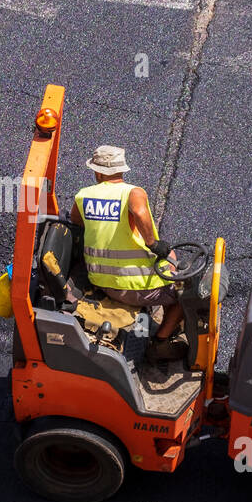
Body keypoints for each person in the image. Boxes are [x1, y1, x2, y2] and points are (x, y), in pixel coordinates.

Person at [69, 146, 185, 360]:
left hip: (101, 280)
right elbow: (140, 212)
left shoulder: (83, 196)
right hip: (134, 287)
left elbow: (75, 221)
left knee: (173, 260)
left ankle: (161, 326)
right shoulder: (132, 192)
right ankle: (161, 342)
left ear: (98, 172)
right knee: (189, 292)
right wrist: (152, 243)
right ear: (121, 170)